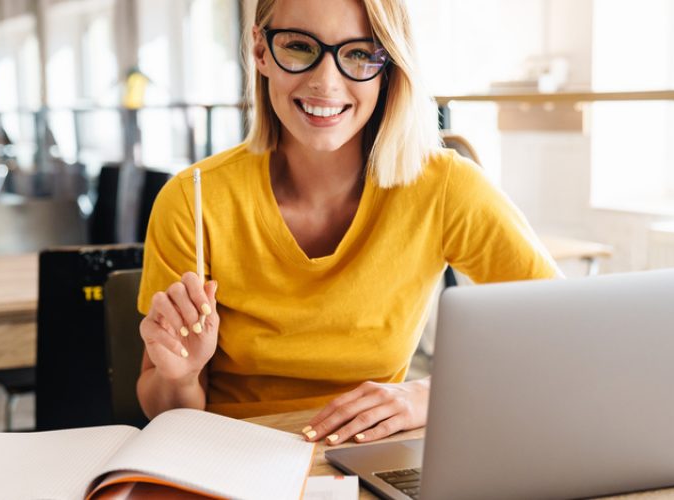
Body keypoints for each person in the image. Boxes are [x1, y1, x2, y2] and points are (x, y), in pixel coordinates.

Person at [136, 0, 559, 446]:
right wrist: (182, 378)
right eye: (299, 47)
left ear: (389, 66)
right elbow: (162, 410)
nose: (325, 83)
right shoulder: (193, 199)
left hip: (370, 455)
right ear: (260, 51)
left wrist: (430, 395)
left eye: (359, 53)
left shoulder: (446, 188)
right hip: (228, 455)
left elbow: (561, 329)